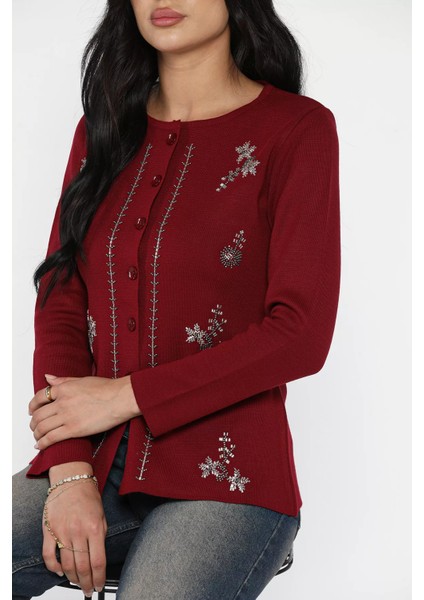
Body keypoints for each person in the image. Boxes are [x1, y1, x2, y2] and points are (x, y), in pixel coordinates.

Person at [12, 0, 341, 598]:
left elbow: (300, 332)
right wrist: (69, 470)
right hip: (97, 458)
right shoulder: (104, 129)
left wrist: (124, 396)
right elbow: (62, 296)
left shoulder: (296, 129)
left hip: (230, 477)